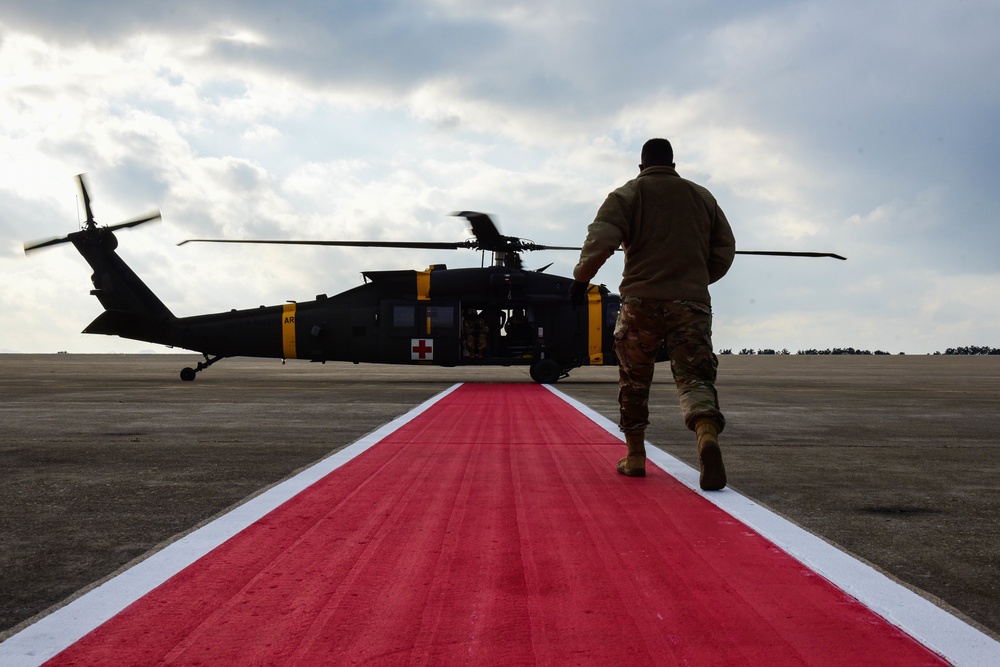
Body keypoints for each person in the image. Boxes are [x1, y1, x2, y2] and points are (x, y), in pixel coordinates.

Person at [570, 138, 736, 490]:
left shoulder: (627, 195)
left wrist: (581, 277)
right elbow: (724, 249)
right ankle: (706, 435)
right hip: (690, 304)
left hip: (639, 304)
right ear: (673, 164)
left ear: (641, 165)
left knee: (634, 380)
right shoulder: (702, 197)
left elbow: (601, 238)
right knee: (695, 377)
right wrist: (696, 280)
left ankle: (635, 457)